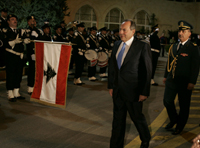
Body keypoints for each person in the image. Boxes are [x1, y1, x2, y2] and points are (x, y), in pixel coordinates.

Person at [108, 19, 152, 148]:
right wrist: (111, 85)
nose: (120, 32)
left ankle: (145, 138)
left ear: (133, 31)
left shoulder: (142, 46)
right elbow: (112, 67)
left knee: (137, 118)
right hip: (118, 91)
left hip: (134, 92)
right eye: (120, 30)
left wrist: (144, 92)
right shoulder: (116, 45)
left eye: (124, 30)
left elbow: (147, 71)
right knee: (117, 121)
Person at [163, 20, 200, 135]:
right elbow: (169, 62)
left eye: (184, 31)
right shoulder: (173, 46)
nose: (181, 33)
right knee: (167, 101)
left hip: (185, 82)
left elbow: (195, 66)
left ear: (189, 33)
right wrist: (165, 76)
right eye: (180, 31)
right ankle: (174, 119)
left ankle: (180, 126)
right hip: (171, 80)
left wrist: (192, 82)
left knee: (184, 105)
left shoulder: (193, 48)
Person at [3, 14, 26, 102]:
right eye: (12, 19)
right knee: (11, 75)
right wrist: (14, 41)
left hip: (19, 55)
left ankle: (16, 92)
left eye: (15, 19)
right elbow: (5, 44)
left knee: (18, 74)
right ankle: (10, 94)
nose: (15, 21)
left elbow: (22, 42)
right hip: (10, 55)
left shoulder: (19, 31)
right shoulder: (6, 31)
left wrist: (25, 41)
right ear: (8, 21)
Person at [24, 15, 42, 95]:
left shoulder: (38, 31)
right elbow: (26, 41)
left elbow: (42, 39)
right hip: (31, 53)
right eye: (32, 21)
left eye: (34, 21)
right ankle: (30, 87)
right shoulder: (26, 31)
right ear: (28, 22)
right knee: (31, 70)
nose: (33, 22)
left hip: (38, 52)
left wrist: (37, 36)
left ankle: (37, 86)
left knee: (38, 70)